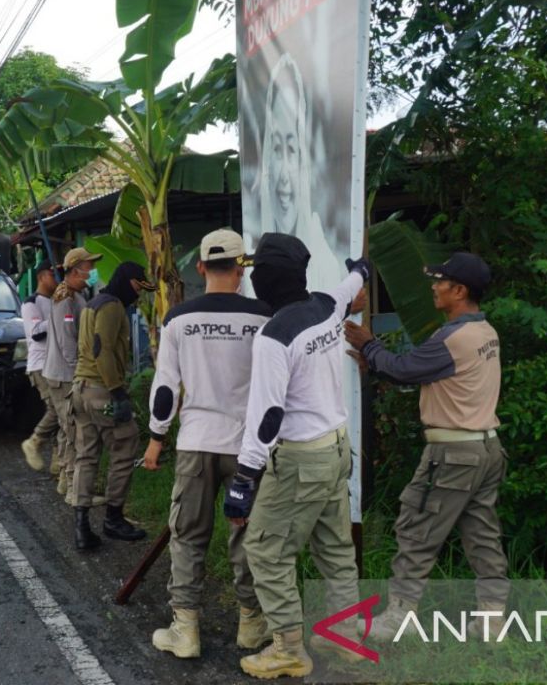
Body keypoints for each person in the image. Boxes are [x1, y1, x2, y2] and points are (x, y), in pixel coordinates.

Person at [223, 234, 369, 679]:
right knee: (335, 547)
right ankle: (345, 635)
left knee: (266, 550)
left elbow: (267, 418)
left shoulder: (274, 337)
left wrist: (243, 482)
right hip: (338, 448)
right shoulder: (326, 305)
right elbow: (351, 285)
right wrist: (361, 268)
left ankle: (288, 648)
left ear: (265, 279)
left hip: (302, 459)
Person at [343, 252, 507, 640]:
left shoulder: (453, 338)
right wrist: (379, 361)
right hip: (486, 448)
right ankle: (492, 616)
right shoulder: (486, 332)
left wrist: (369, 345)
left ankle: (400, 616)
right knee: (482, 532)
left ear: (460, 290)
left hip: (453, 455)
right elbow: (425, 375)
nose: (433, 287)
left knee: (417, 527)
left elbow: (404, 368)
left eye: (440, 282)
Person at [143, 229, 275, 659]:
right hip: (248, 449)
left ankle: (187, 630)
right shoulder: (264, 318)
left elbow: (166, 389)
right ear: (241, 269)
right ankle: (251, 625)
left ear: (200, 267)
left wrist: (156, 439)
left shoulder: (179, 319)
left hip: (196, 444)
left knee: (188, 536)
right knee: (247, 535)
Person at [70, 260, 155, 551]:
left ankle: (81, 526)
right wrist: (118, 392)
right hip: (101, 390)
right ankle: (113, 519)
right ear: (125, 279)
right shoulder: (113, 306)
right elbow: (101, 348)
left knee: (86, 456)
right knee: (125, 446)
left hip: (80, 390)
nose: (139, 294)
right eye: (137, 286)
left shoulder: (94, 302)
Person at [252, 54, 340, 291]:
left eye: (292, 149)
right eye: (276, 149)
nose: (282, 175)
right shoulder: (256, 262)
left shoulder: (325, 267)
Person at [43, 248, 102, 503]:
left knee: (71, 430)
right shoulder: (65, 299)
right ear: (77, 270)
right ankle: (72, 488)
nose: (92, 271)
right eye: (90, 267)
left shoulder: (76, 295)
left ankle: (67, 483)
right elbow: (68, 343)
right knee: (73, 430)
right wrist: (79, 373)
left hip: (67, 373)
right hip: (65, 375)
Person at [20, 260, 62, 474]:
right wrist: (58, 316)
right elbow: (36, 333)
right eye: (54, 275)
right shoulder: (32, 303)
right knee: (57, 410)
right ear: (42, 277)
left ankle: (58, 462)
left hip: (56, 364)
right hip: (40, 365)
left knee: (63, 414)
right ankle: (34, 442)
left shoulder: (56, 301)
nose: (58, 279)